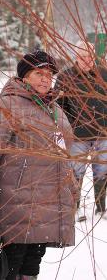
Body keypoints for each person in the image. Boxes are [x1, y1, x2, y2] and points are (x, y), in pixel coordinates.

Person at [0, 50, 77, 280]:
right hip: (15, 199)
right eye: (38, 73)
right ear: (24, 77)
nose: (45, 79)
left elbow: (65, 156)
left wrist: (71, 188)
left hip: (47, 201)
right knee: (12, 262)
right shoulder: (8, 106)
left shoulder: (55, 109)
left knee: (33, 262)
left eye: (49, 74)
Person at [56, 40, 107, 221]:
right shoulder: (65, 77)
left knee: (102, 172)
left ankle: (101, 208)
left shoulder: (104, 74)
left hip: (103, 133)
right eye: (82, 56)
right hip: (77, 136)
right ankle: (74, 207)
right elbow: (58, 108)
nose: (86, 60)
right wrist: (67, 128)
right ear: (76, 57)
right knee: (75, 173)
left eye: (89, 57)